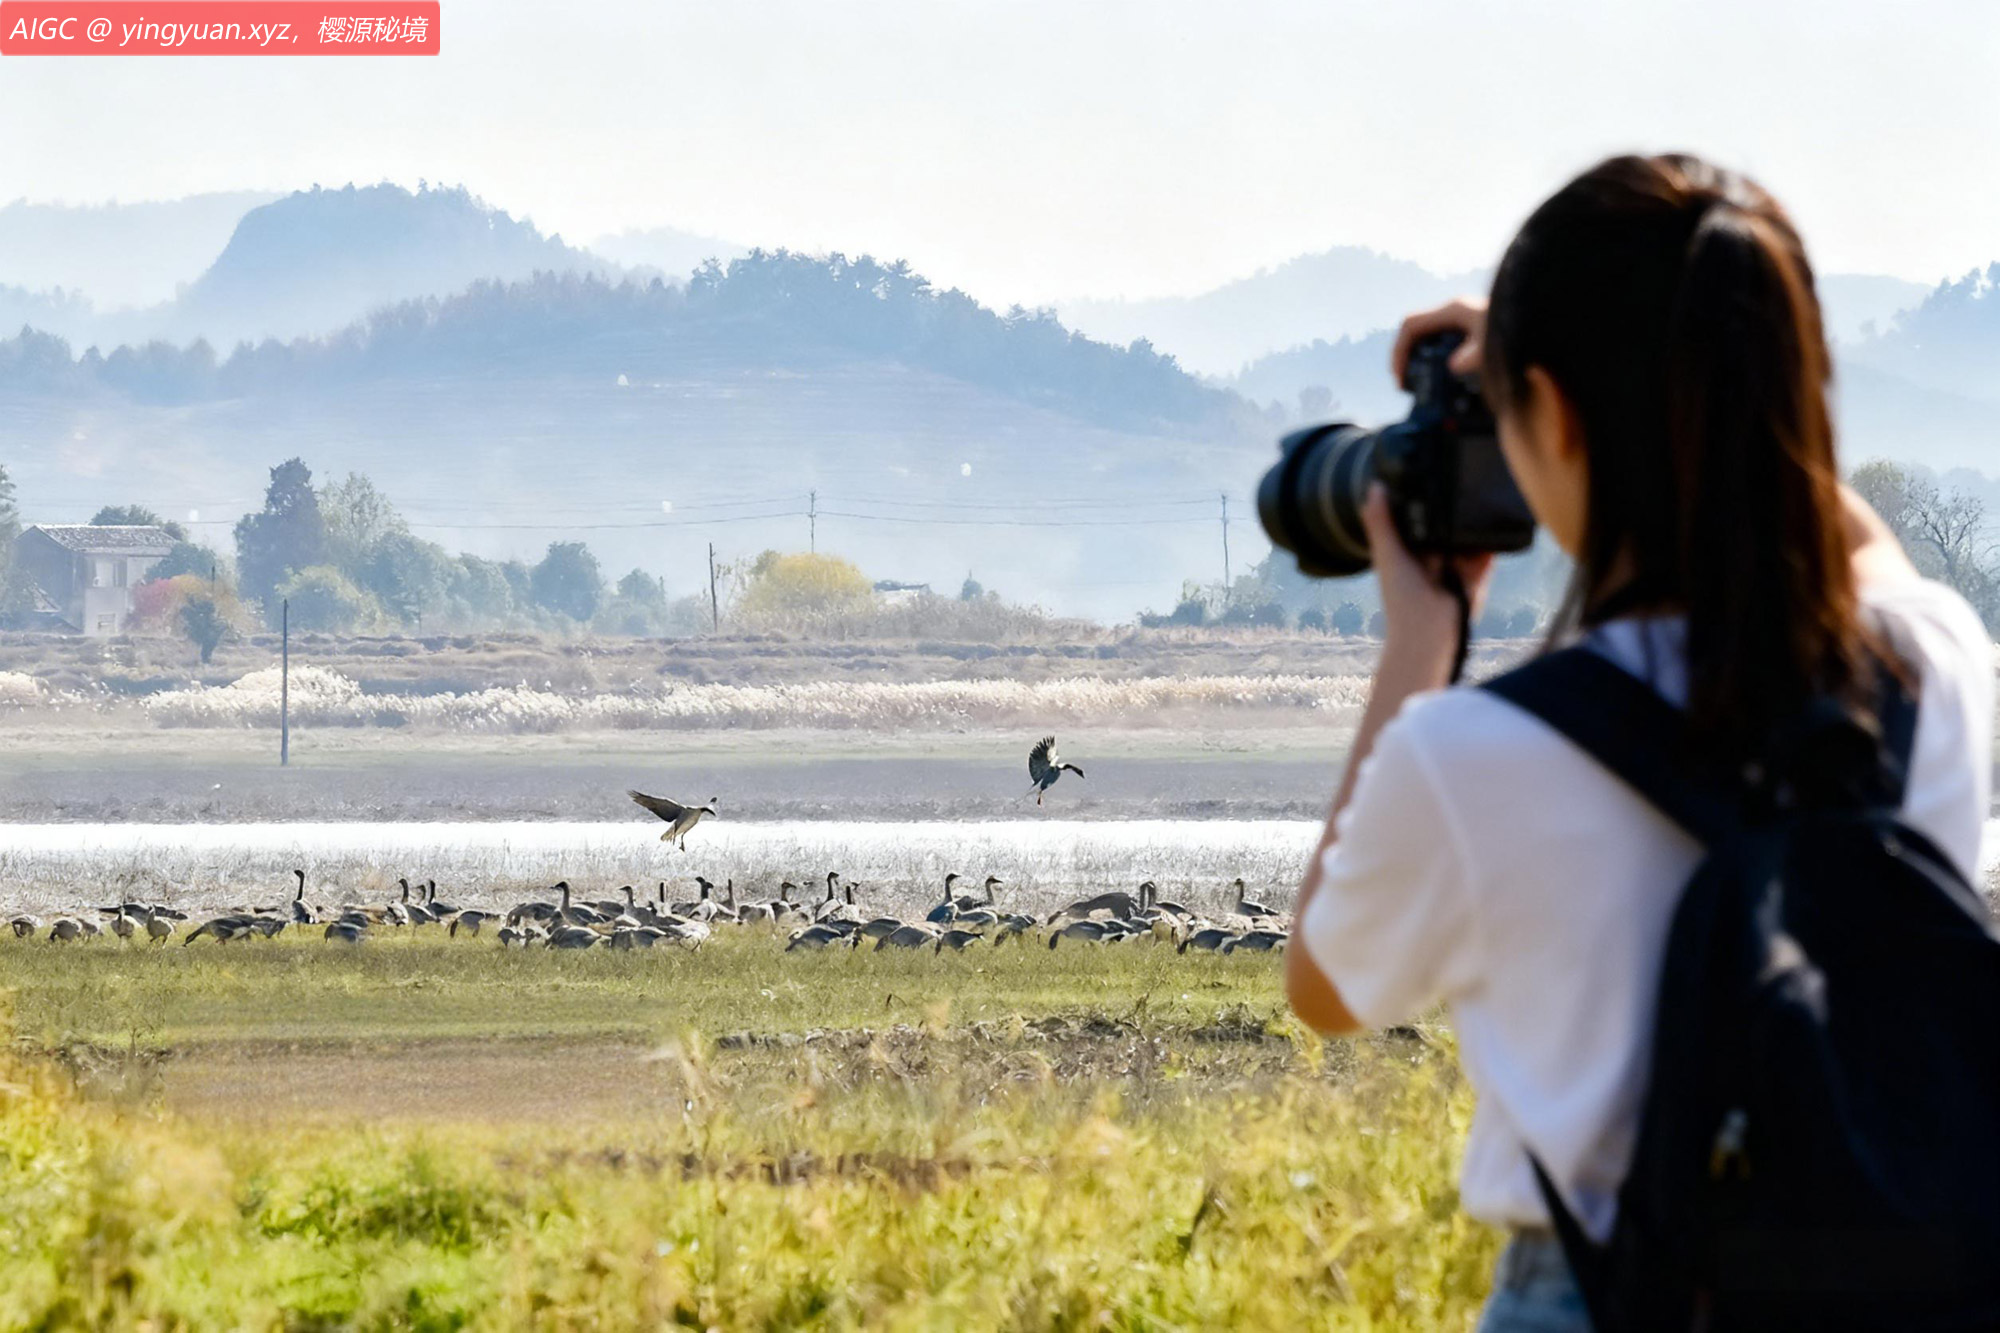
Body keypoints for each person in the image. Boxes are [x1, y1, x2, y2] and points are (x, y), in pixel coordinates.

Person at [1284, 153, 1994, 1331]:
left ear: (1548, 418)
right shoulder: (1931, 667)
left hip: (1601, 1296)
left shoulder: (1470, 755)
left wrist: (1420, 633)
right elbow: (1843, 537)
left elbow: (1326, 984)